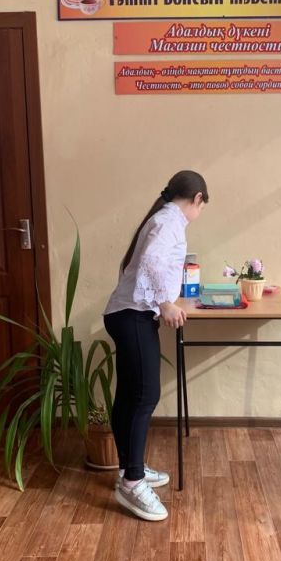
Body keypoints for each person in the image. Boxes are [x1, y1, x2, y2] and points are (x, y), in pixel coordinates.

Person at [103, 170, 208, 521]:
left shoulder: (164, 218)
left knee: (129, 396)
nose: (199, 213)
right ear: (197, 199)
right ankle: (132, 483)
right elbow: (150, 262)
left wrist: (164, 301)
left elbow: (148, 264)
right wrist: (165, 303)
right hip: (133, 316)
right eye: (202, 207)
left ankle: (129, 468)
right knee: (145, 395)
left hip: (126, 314)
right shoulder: (169, 221)